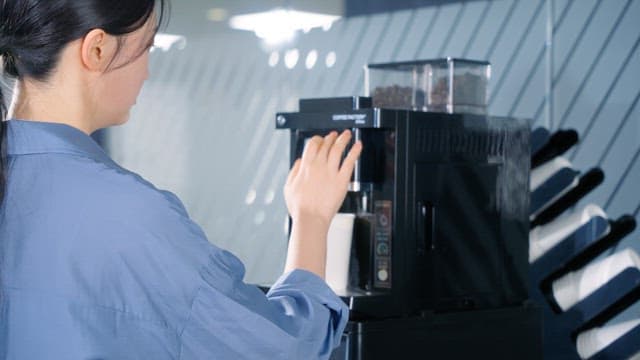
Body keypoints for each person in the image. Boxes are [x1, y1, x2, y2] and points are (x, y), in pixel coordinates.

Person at [0, 1, 362, 359]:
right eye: (147, 48)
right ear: (97, 49)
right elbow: (283, 348)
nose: (146, 72)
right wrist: (311, 218)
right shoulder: (129, 215)